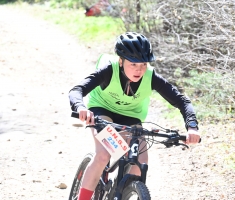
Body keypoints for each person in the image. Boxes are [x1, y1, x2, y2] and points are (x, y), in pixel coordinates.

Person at [68, 32, 200, 200]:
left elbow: (182, 101)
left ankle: (122, 190)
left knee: (141, 162)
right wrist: (80, 107)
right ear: (121, 61)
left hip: (130, 117)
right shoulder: (109, 70)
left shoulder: (150, 77)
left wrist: (192, 127)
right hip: (102, 110)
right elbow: (77, 90)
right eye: (133, 64)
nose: (139, 70)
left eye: (143, 64)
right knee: (103, 155)